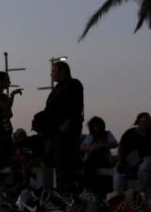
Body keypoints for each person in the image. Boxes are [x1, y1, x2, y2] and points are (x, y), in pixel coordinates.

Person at [38, 60, 84, 194]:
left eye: (53, 71)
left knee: (64, 162)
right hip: (55, 132)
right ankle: (57, 190)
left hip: (66, 131)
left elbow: (76, 106)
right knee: (54, 161)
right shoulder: (57, 88)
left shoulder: (73, 84)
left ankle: (67, 192)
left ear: (62, 71)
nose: (51, 74)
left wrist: (68, 122)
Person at [113, 112, 151, 198]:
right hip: (134, 157)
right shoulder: (130, 132)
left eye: (150, 120)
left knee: (144, 167)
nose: (148, 122)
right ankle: (118, 195)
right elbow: (121, 147)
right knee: (118, 169)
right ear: (138, 121)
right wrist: (120, 160)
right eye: (145, 120)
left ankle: (140, 192)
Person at [79, 117, 118, 194]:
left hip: (104, 159)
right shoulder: (90, 136)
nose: (96, 128)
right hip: (90, 159)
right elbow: (81, 147)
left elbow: (115, 144)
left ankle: (89, 187)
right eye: (94, 127)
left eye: (97, 126)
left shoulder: (107, 134)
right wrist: (90, 148)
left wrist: (102, 145)